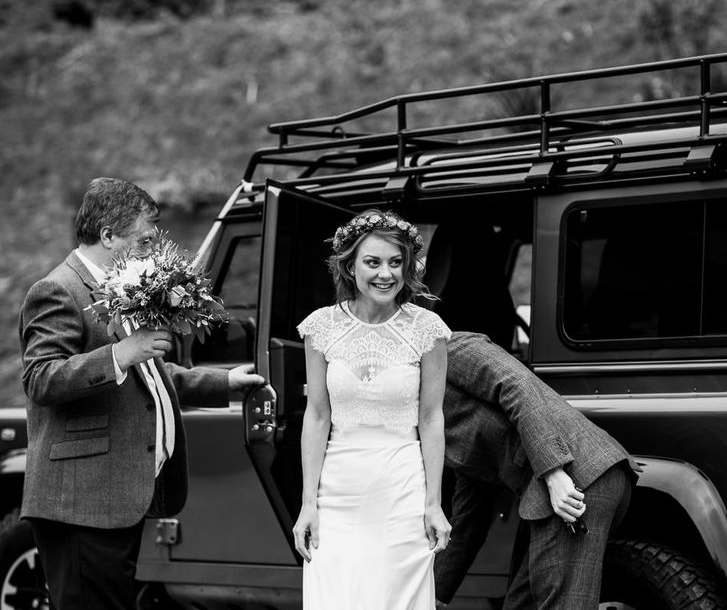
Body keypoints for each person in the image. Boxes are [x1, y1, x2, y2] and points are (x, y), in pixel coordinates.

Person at [19, 177, 262, 610]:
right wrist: (120, 352)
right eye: (146, 239)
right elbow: (41, 378)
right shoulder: (59, 290)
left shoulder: (118, 289)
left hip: (113, 500)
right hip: (80, 502)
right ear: (108, 235)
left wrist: (223, 382)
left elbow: (148, 376)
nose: (153, 250)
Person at [292, 209, 452, 610]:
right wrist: (308, 503)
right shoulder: (321, 328)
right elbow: (317, 416)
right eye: (373, 262)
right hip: (337, 490)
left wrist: (433, 503)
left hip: (402, 487)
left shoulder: (427, 330)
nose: (386, 274)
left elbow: (431, 419)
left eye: (396, 263)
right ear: (350, 266)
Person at [434, 332, 639, 609]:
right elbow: (471, 518)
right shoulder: (424, 419)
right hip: (553, 490)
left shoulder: (448, 347)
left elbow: (519, 386)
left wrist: (554, 471)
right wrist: (432, 596)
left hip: (574, 479)